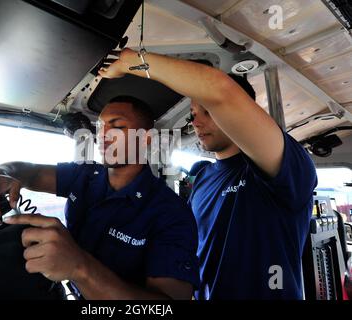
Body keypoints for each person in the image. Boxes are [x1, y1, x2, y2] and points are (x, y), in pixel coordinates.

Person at [99, 49, 317, 299]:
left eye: (208, 111)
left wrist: (132, 62)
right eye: (193, 115)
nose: (196, 122)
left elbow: (220, 91)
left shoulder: (281, 168)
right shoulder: (203, 177)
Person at [0, 95, 199, 300]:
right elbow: (29, 171)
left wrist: (80, 268)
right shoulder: (86, 175)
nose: (102, 135)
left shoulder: (171, 213)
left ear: (145, 140)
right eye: (100, 127)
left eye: (117, 127)